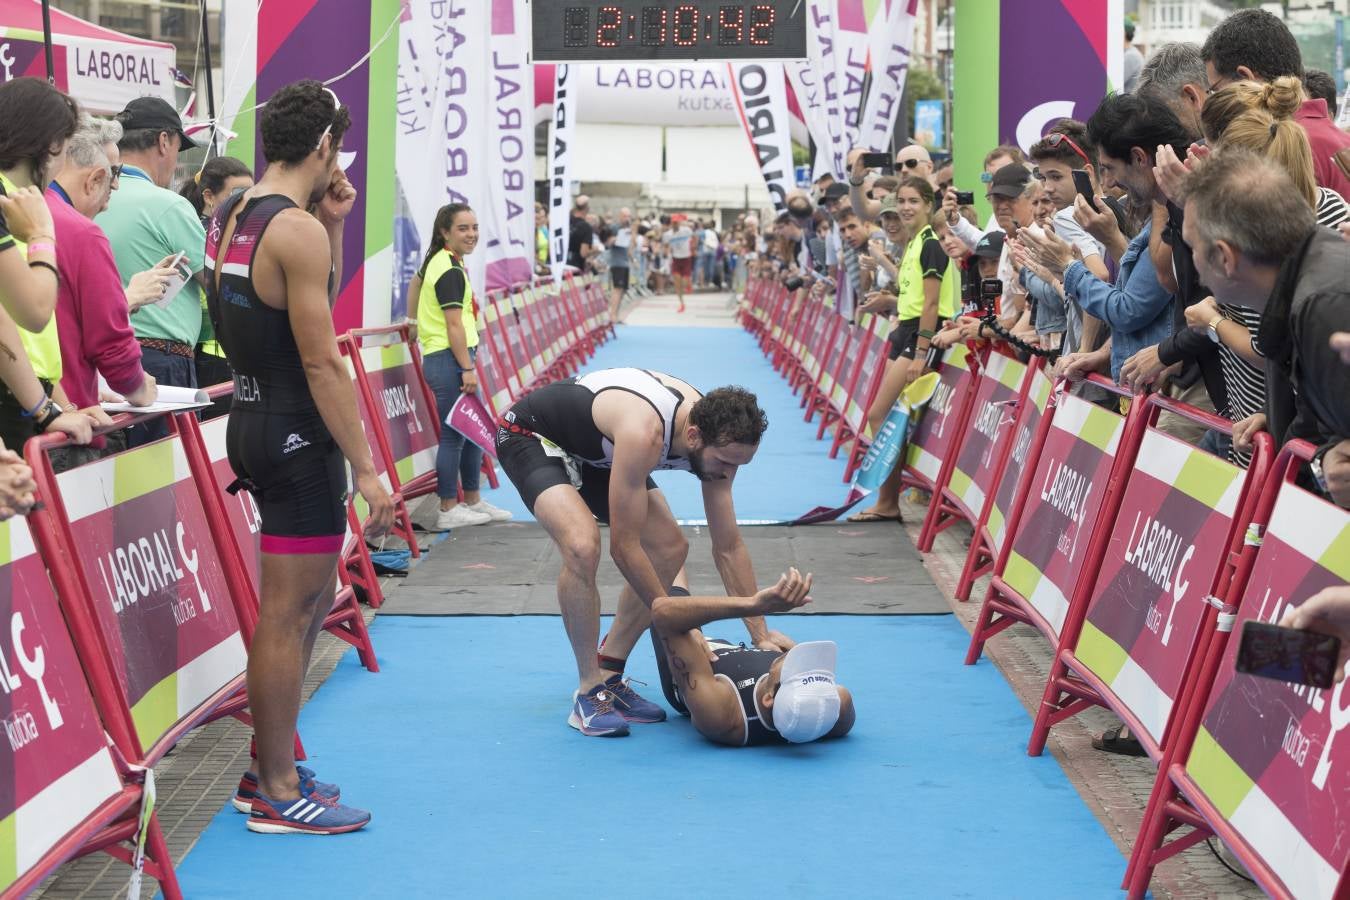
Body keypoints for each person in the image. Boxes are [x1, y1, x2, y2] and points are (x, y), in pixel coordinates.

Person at [205, 79, 395, 834]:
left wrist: (336, 225)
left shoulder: (235, 212)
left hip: (250, 422)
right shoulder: (294, 230)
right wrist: (372, 469)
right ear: (324, 146)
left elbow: (297, 296)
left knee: (309, 604)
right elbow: (322, 362)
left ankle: (269, 764)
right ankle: (276, 789)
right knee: (287, 615)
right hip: (295, 434)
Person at [495, 370, 792, 737]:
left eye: (739, 465)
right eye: (725, 462)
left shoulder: (719, 439)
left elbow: (728, 546)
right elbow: (625, 546)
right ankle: (589, 689)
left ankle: (610, 671)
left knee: (670, 547)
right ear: (694, 436)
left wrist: (759, 632)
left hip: (599, 452)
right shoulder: (644, 433)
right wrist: (676, 617)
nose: (728, 473)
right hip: (533, 435)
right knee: (582, 545)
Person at [1182, 148, 1350, 505]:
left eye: (1191, 247)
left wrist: (1320, 461)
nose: (1193, 266)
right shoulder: (1312, 273)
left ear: (1225, 258)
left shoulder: (1321, 310)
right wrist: (1280, 419)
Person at [1020, 93, 1184, 384]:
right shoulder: (1158, 211)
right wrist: (1103, 354)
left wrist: (1065, 268)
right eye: (1042, 178)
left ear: (1138, 157)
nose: (1107, 182)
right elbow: (1141, 289)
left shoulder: (1179, 212)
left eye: (1108, 169)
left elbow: (1129, 307)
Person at [47, 114, 157, 461]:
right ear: (95, 177)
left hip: (40, 410)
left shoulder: (22, 215)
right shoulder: (81, 232)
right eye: (115, 177)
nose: (116, 189)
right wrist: (137, 387)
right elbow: (109, 343)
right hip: (66, 431)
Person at [98, 96, 206, 446]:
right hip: (162, 365)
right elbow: (221, 284)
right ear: (163, 141)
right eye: (177, 148)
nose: (175, 162)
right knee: (169, 485)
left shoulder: (87, 200)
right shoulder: (170, 205)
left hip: (100, 360)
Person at [649, 569, 855, 747]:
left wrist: (754, 604)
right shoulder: (833, 709)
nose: (799, 660)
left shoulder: (722, 715)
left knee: (667, 554)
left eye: (795, 667)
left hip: (691, 658)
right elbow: (824, 695)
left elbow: (663, 612)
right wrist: (777, 646)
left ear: (769, 699)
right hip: (741, 657)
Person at [0, 77, 96, 457]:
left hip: (25, 395)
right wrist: (43, 233)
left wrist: (57, 403)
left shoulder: (11, 199)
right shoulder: (17, 207)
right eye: (66, 151)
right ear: (51, 145)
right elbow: (35, 312)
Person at [851, 179, 953, 524]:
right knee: (886, 416)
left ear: (928, 204)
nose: (906, 207)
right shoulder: (913, 244)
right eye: (902, 201)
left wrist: (921, 352)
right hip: (905, 331)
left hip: (922, 334)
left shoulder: (930, 245)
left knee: (880, 415)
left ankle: (888, 501)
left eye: (914, 201)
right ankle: (888, 500)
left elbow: (933, 303)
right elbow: (911, 294)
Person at [408, 202, 511, 530]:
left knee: (469, 432)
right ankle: (448, 508)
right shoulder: (449, 269)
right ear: (445, 232)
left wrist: (412, 320)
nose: (472, 235)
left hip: (450, 358)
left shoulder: (439, 261)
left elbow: (415, 282)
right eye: (463, 229)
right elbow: (453, 325)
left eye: (474, 228)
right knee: (454, 435)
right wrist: (466, 368)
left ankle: (472, 500)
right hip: (450, 359)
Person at [1201, 7, 1350, 200]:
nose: (1216, 100)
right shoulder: (1341, 142)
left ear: (1245, 78)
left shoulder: (1280, 147)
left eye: (1215, 90)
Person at [180, 156, 254, 412]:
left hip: (235, 355)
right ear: (209, 196)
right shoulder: (202, 233)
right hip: (209, 356)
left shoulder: (239, 234)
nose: (245, 204)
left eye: (251, 195)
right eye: (237, 195)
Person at [607, 207, 635, 322]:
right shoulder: (615, 228)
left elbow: (630, 247)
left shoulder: (629, 228)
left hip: (625, 262)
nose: (627, 219)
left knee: (623, 290)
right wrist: (615, 239)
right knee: (617, 289)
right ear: (620, 216)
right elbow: (608, 242)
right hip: (616, 262)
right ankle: (612, 315)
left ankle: (616, 314)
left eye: (629, 216)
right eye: (625, 216)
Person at [664, 214, 694, 312]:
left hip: (686, 258)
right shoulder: (667, 234)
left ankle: (688, 284)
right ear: (671, 223)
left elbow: (695, 237)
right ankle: (681, 304)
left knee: (684, 283)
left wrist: (693, 248)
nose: (675, 224)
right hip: (676, 259)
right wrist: (666, 252)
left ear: (679, 223)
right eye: (673, 222)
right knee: (677, 283)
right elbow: (666, 245)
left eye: (677, 222)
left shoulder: (686, 230)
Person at [566, 194, 593, 272]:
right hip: (575, 268)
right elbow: (583, 253)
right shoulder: (586, 227)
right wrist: (595, 250)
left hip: (559, 264)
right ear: (587, 209)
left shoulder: (565, 222)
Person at [1123, 19, 1144, 93]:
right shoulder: (1128, 53)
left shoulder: (1131, 56)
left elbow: (1112, 81)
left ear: (1124, 33)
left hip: (1125, 103)